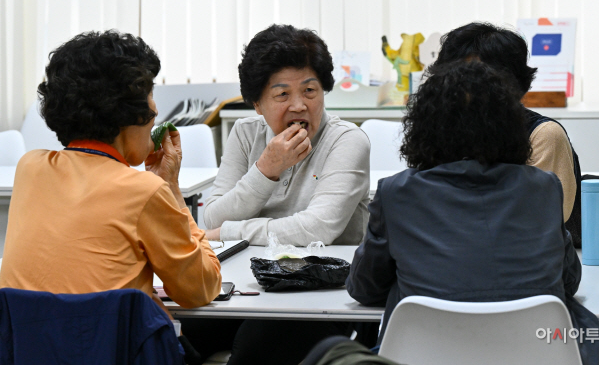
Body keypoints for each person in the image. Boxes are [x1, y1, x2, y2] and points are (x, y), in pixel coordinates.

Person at [346, 61, 599, 365]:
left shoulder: (396, 193)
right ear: (511, 126)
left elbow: (363, 287)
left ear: (423, 128)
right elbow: (568, 282)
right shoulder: (543, 188)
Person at [0, 30, 221, 321]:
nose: (155, 109)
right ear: (127, 112)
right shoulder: (144, 191)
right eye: (149, 95)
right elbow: (200, 289)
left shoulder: (30, 168)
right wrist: (171, 189)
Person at [203, 24, 370, 246]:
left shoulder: (347, 140)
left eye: (309, 91)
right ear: (258, 105)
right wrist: (265, 170)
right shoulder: (246, 133)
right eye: (282, 94)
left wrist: (229, 233)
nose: (299, 106)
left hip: (328, 275)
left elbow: (318, 228)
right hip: (253, 270)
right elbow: (214, 219)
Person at [433, 22, 582, 238]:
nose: (459, 86)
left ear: (511, 83)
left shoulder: (543, 134)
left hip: (529, 261)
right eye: (451, 76)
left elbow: (542, 220)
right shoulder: (442, 130)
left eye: (474, 77)